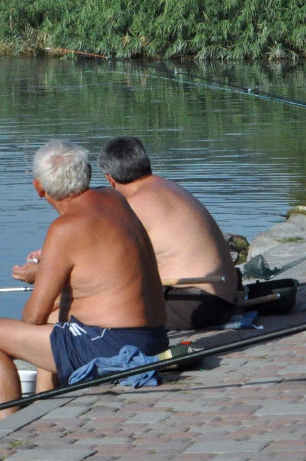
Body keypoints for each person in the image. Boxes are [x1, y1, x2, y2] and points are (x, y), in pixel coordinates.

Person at [0, 140, 168, 421]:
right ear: (88, 172)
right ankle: (45, 402)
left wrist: (38, 276)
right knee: (57, 318)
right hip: (154, 337)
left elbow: (32, 317)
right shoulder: (115, 200)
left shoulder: (64, 228)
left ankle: (5, 430)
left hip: (113, 345)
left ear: (39, 187)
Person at [98, 136, 239, 330]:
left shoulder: (137, 204)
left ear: (109, 179)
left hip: (198, 305)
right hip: (222, 295)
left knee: (97, 309)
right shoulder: (167, 187)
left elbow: (106, 263)